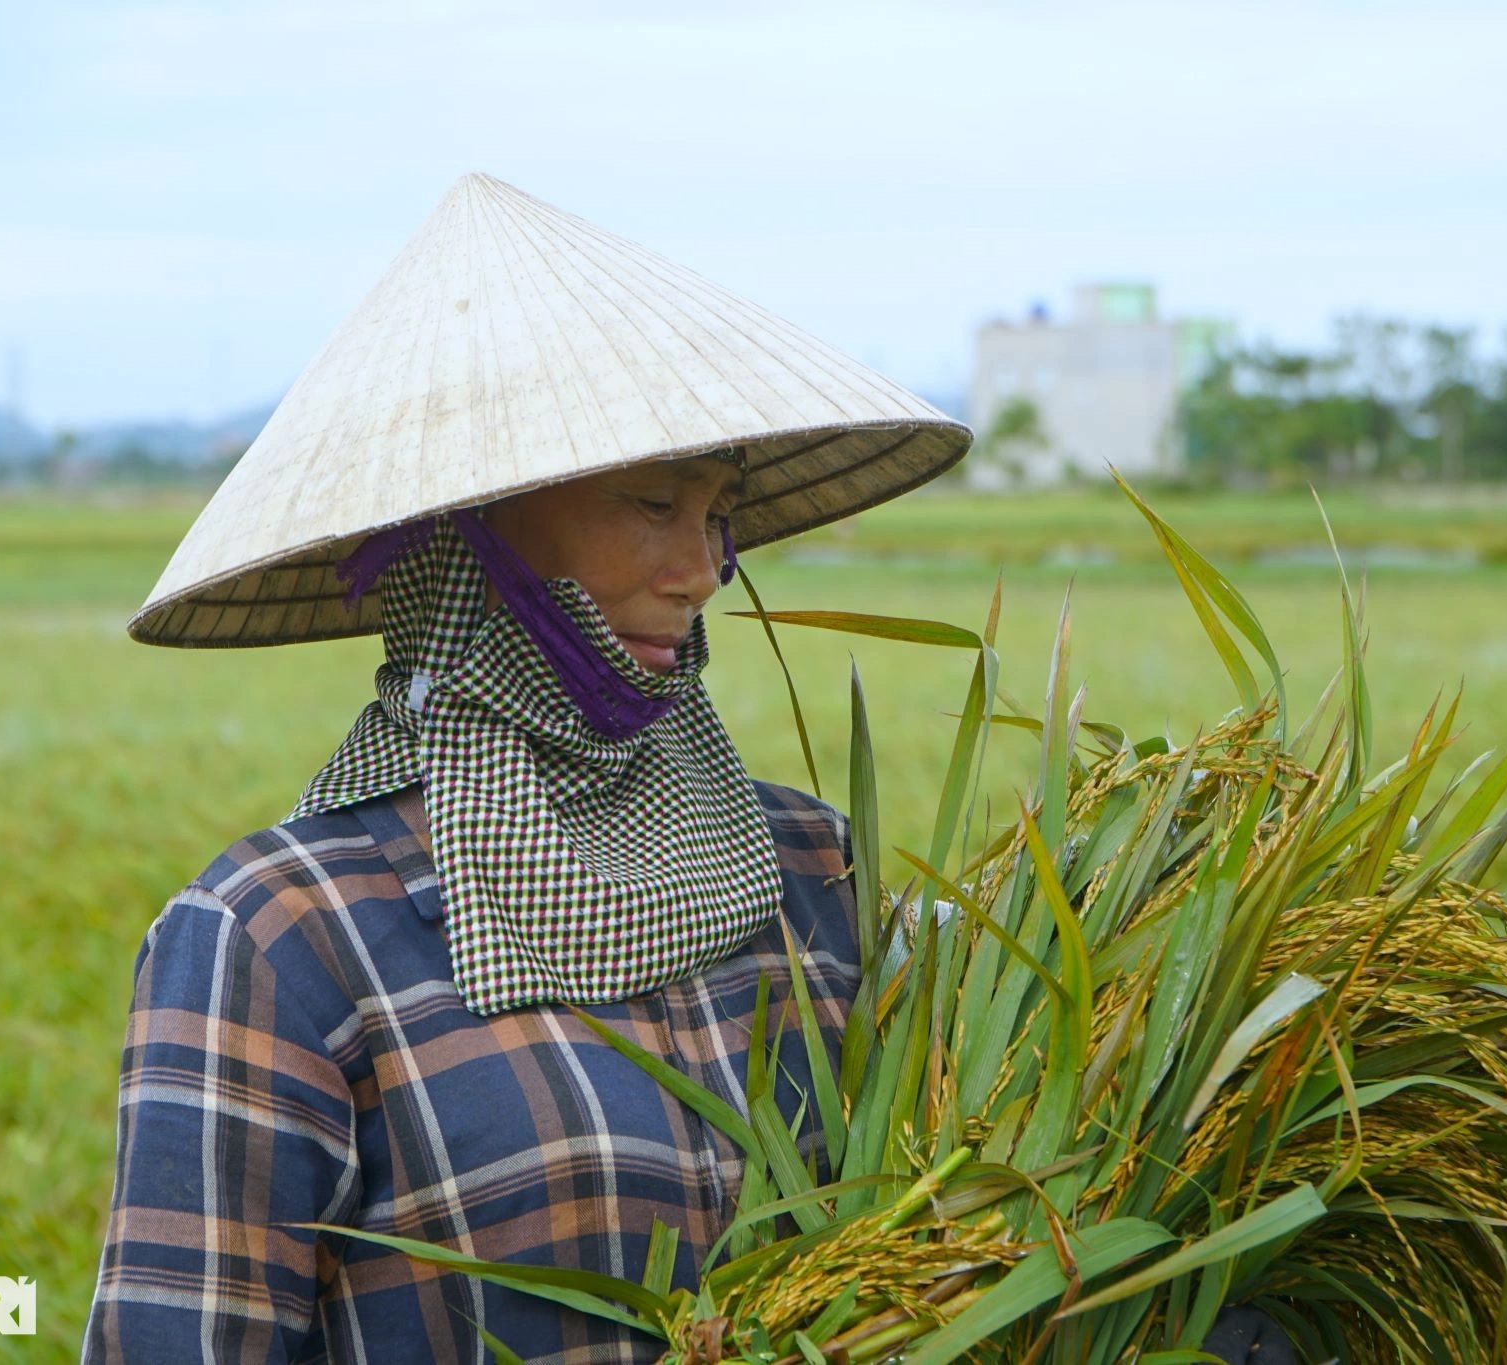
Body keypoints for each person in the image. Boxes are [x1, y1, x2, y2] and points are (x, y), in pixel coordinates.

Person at [81, 173, 970, 1364]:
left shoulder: (807, 862)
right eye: (650, 502)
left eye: (714, 513)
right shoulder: (281, 936)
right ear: (466, 536)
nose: (701, 568)